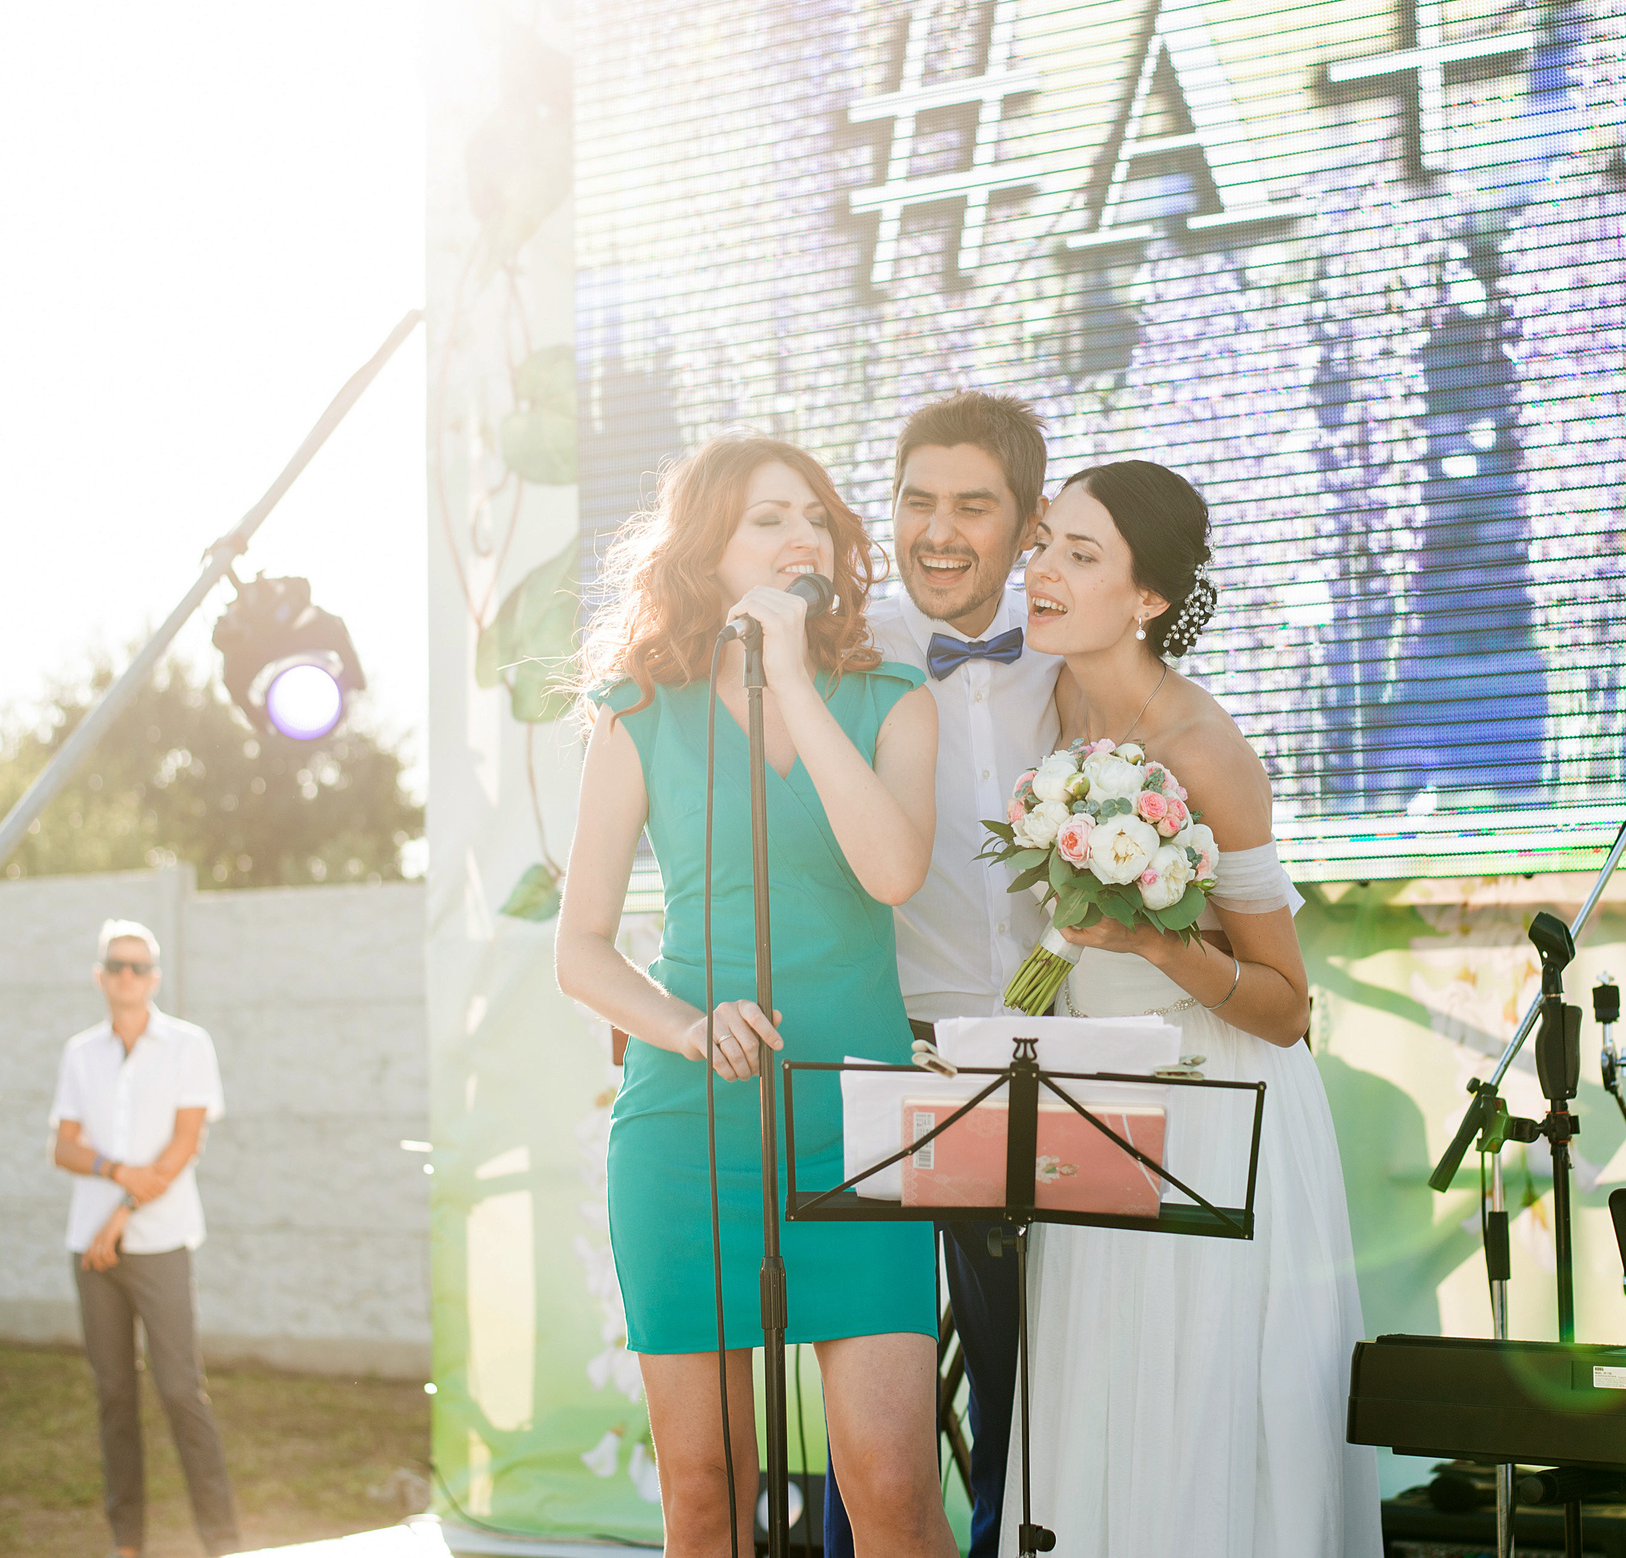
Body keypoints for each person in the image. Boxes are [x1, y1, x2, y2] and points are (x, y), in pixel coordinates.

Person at [556, 432, 958, 1558]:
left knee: (892, 1488)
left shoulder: (892, 699)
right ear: (708, 551)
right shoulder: (640, 710)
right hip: (688, 1131)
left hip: (858, 1125)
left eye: (816, 518)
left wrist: (790, 679)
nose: (801, 538)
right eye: (768, 519)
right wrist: (687, 1027)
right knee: (704, 1493)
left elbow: (892, 871)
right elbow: (580, 950)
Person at [997, 459, 1383, 1556]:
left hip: (1218, 1111)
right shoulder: (1049, 702)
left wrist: (1157, 942)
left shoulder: (1205, 752)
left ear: (1149, 598)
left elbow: (1288, 1005)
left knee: (1199, 1418)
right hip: (1097, 1098)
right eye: (1044, 544)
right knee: (1100, 1410)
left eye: (1081, 555)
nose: (1043, 571)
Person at [825, 391, 1060, 1558]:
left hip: (1038, 1054)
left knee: (1025, 1377)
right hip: (882, 1038)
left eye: (972, 505)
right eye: (916, 500)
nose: (937, 530)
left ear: (1028, 523)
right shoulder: (845, 650)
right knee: (873, 1381)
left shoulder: (1067, 646)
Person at [49, 919, 239, 1558]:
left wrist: (122, 1210)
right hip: (92, 1251)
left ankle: (222, 1542)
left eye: (138, 966)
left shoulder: (189, 1045)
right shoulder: (80, 1053)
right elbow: (63, 1148)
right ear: (100, 976)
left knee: (180, 1389)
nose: (127, 976)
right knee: (114, 1396)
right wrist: (116, 1171)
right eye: (116, 965)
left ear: (154, 977)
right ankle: (126, 1543)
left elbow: (185, 1144)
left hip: (159, 1243)